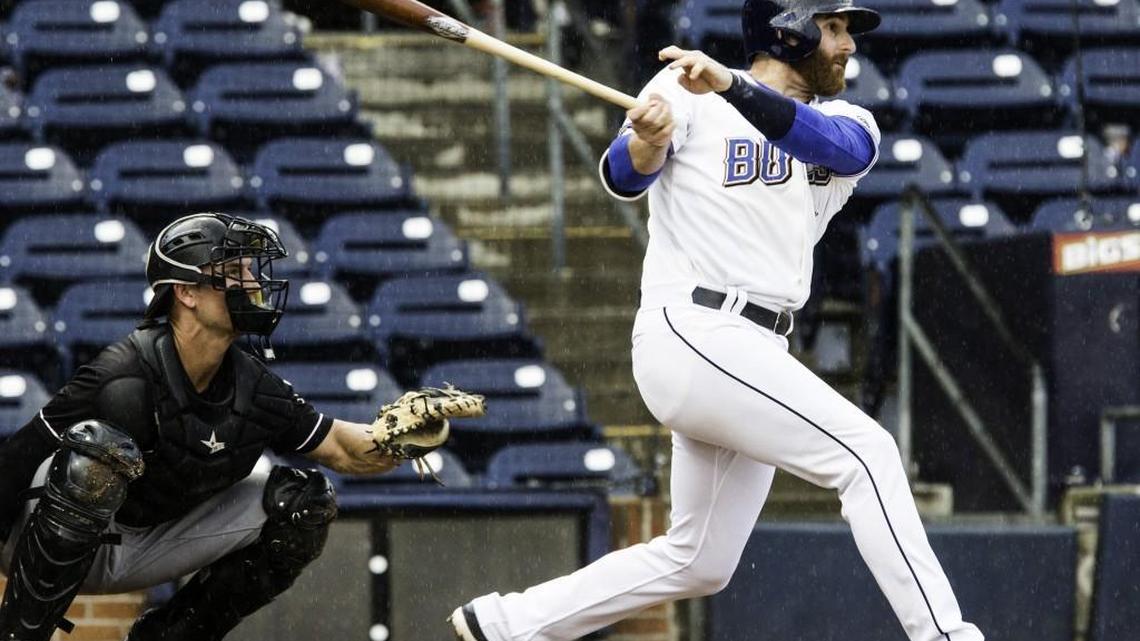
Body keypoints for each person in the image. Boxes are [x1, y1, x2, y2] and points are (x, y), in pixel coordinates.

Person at [449, 1, 985, 640]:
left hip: (757, 347)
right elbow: (621, 176)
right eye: (833, 28)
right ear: (788, 30)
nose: (848, 45)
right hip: (693, 327)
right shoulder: (685, 90)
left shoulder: (846, 119)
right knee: (867, 455)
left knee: (699, 560)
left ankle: (509, 623)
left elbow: (828, 147)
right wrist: (648, 142)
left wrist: (731, 85)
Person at [0, 212, 399, 641]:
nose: (253, 282)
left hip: (149, 545)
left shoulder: (256, 387)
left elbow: (342, 448)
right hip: (43, 544)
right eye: (234, 270)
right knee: (91, 457)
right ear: (186, 291)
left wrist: (400, 438)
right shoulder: (122, 373)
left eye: (249, 269)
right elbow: (16, 462)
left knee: (304, 501)